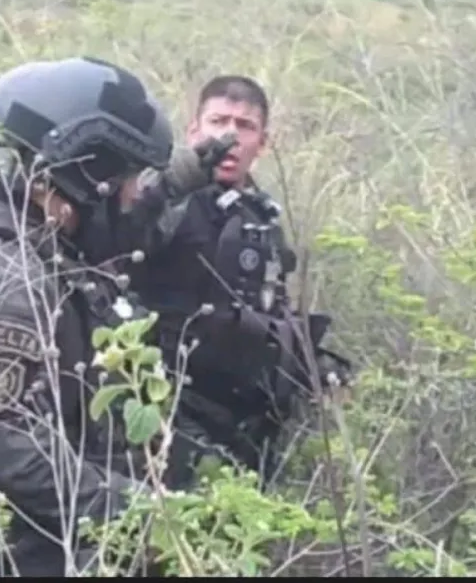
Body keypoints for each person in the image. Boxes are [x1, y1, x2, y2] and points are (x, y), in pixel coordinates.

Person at [0, 56, 176, 578]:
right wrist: (139, 512)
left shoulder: (18, 250)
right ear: (84, 172)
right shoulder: (12, 278)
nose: (130, 196)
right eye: (125, 178)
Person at [126, 75, 346, 485]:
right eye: (217, 121)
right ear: (194, 130)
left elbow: (264, 309)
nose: (229, 136)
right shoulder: (164, 200)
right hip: (165, 409)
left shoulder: (262, 218)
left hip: (241, 422)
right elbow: (119, 239)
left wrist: (312, 364)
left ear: (262, 142)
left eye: (245, 126)